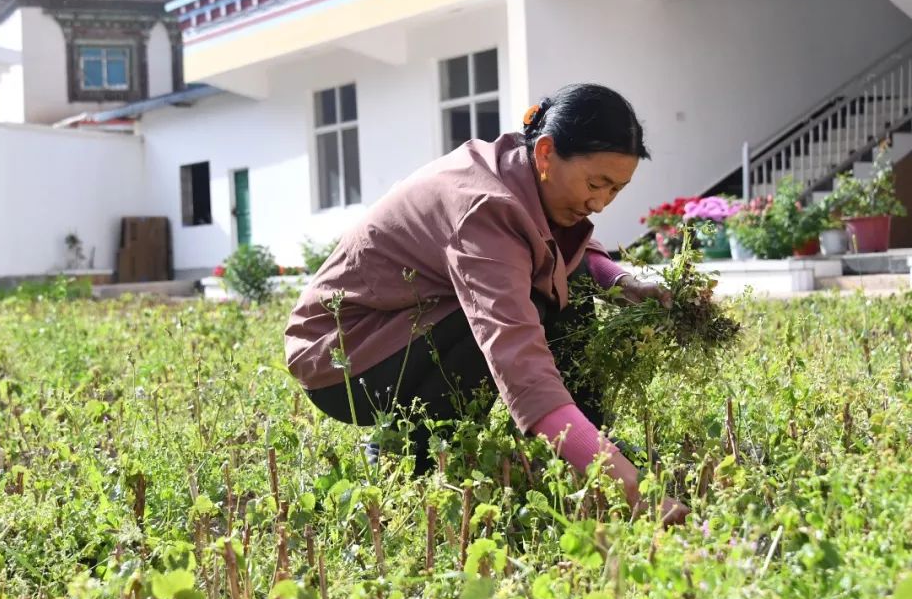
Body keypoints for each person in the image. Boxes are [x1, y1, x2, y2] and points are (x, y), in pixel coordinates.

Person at [284, 84, 689, 526]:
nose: (600, 203)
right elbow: (517, 356)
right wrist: (626, 487)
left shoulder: (524, 169)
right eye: (596, 184)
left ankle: (587, 440)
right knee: (528, 302)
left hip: (402, 327)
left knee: (556, 287)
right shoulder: (484, 207)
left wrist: (623, 280)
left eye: (616, 190)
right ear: (548, 152)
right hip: (346, 358)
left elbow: (563, 253)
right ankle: (403, 451)